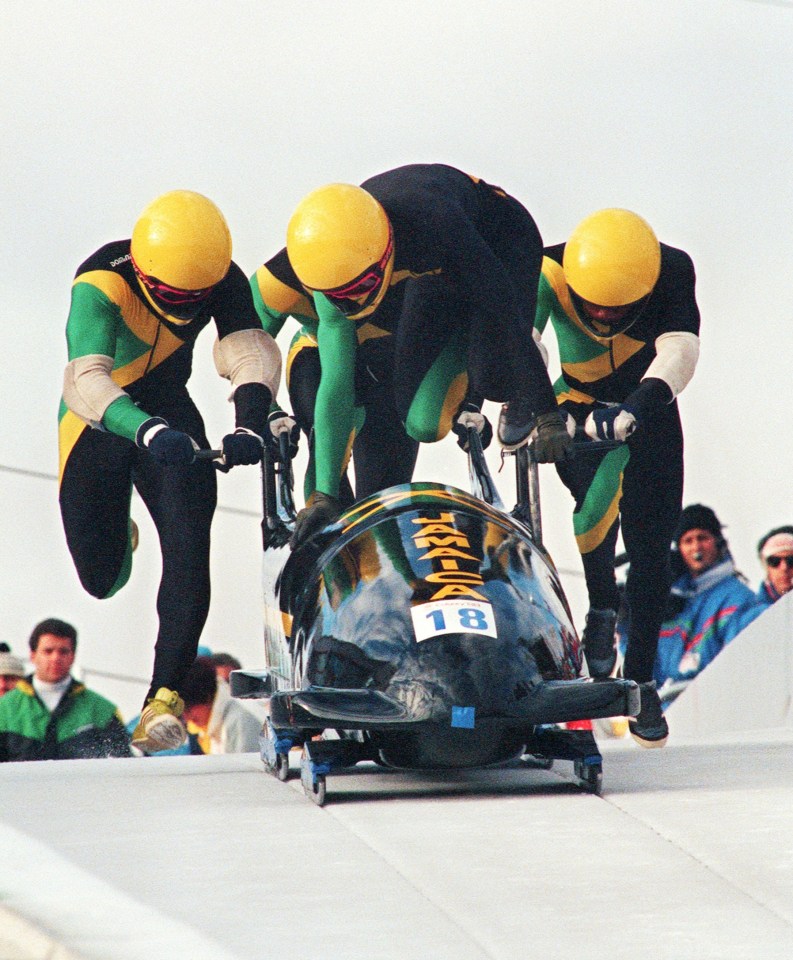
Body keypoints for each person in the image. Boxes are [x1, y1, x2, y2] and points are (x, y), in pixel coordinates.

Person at [58, 190, 282, 753]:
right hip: (101, 418)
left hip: (169, 407)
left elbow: (250, 350)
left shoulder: (222, 276)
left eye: (195, 298)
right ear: (143, 271)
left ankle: (164, 699)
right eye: (170, 296)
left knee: (188, 542)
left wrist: (250, 423)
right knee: (100, 579)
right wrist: (147, 431)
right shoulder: (100, 282)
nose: (184, 307)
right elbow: (87, 381)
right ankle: (120, 535)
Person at [250, 164, 572, 547]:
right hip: (425, 281)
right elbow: (335, 382)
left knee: (494, 373)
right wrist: (325, 497)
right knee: (420, 422)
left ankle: (505, 366)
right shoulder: (326, 272)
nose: (353, 302)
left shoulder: (437, 230)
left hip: (495, 240)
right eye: (339, 296)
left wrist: (547, 411)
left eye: (362, 287)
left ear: (385, 256)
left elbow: (503, 311)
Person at [533, 208, 701, 747]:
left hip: (646, 405)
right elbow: (522, 337)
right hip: (574, 404)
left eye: (617, 310)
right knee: (594, 507)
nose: (603, 317)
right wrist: (536, 409)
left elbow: (680, 350)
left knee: (652, 542)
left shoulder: (673, 269)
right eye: (593, 309)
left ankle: (644, 676)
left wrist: (639, 404)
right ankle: (601, 604)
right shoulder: (548, 270)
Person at [654, 505, 760, 703]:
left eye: (703, 538)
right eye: (688, 541)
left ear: (718, 542)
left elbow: (739, 663)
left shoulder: (738, 597)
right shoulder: (672, 601)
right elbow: (651, 672)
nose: (696, 547)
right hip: (669, 712)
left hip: (714, 706)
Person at [0, 619, 130, 761]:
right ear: (33, 655)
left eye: (63, 651)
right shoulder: (4, 710)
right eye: (48, 651)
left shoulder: (102, 712)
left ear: (73, 656)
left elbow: (122, 769)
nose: (55, 658)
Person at [179, 657, 261, 754]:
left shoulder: (240, 721)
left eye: (188, 710)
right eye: (183, 712)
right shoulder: (214, 725)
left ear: (207, 697)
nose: (187, 718)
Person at [753, 526, 793, 610]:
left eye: (791, 560)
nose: (784, 567)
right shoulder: (753, 614)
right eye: (774, 561)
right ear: (765, 565)